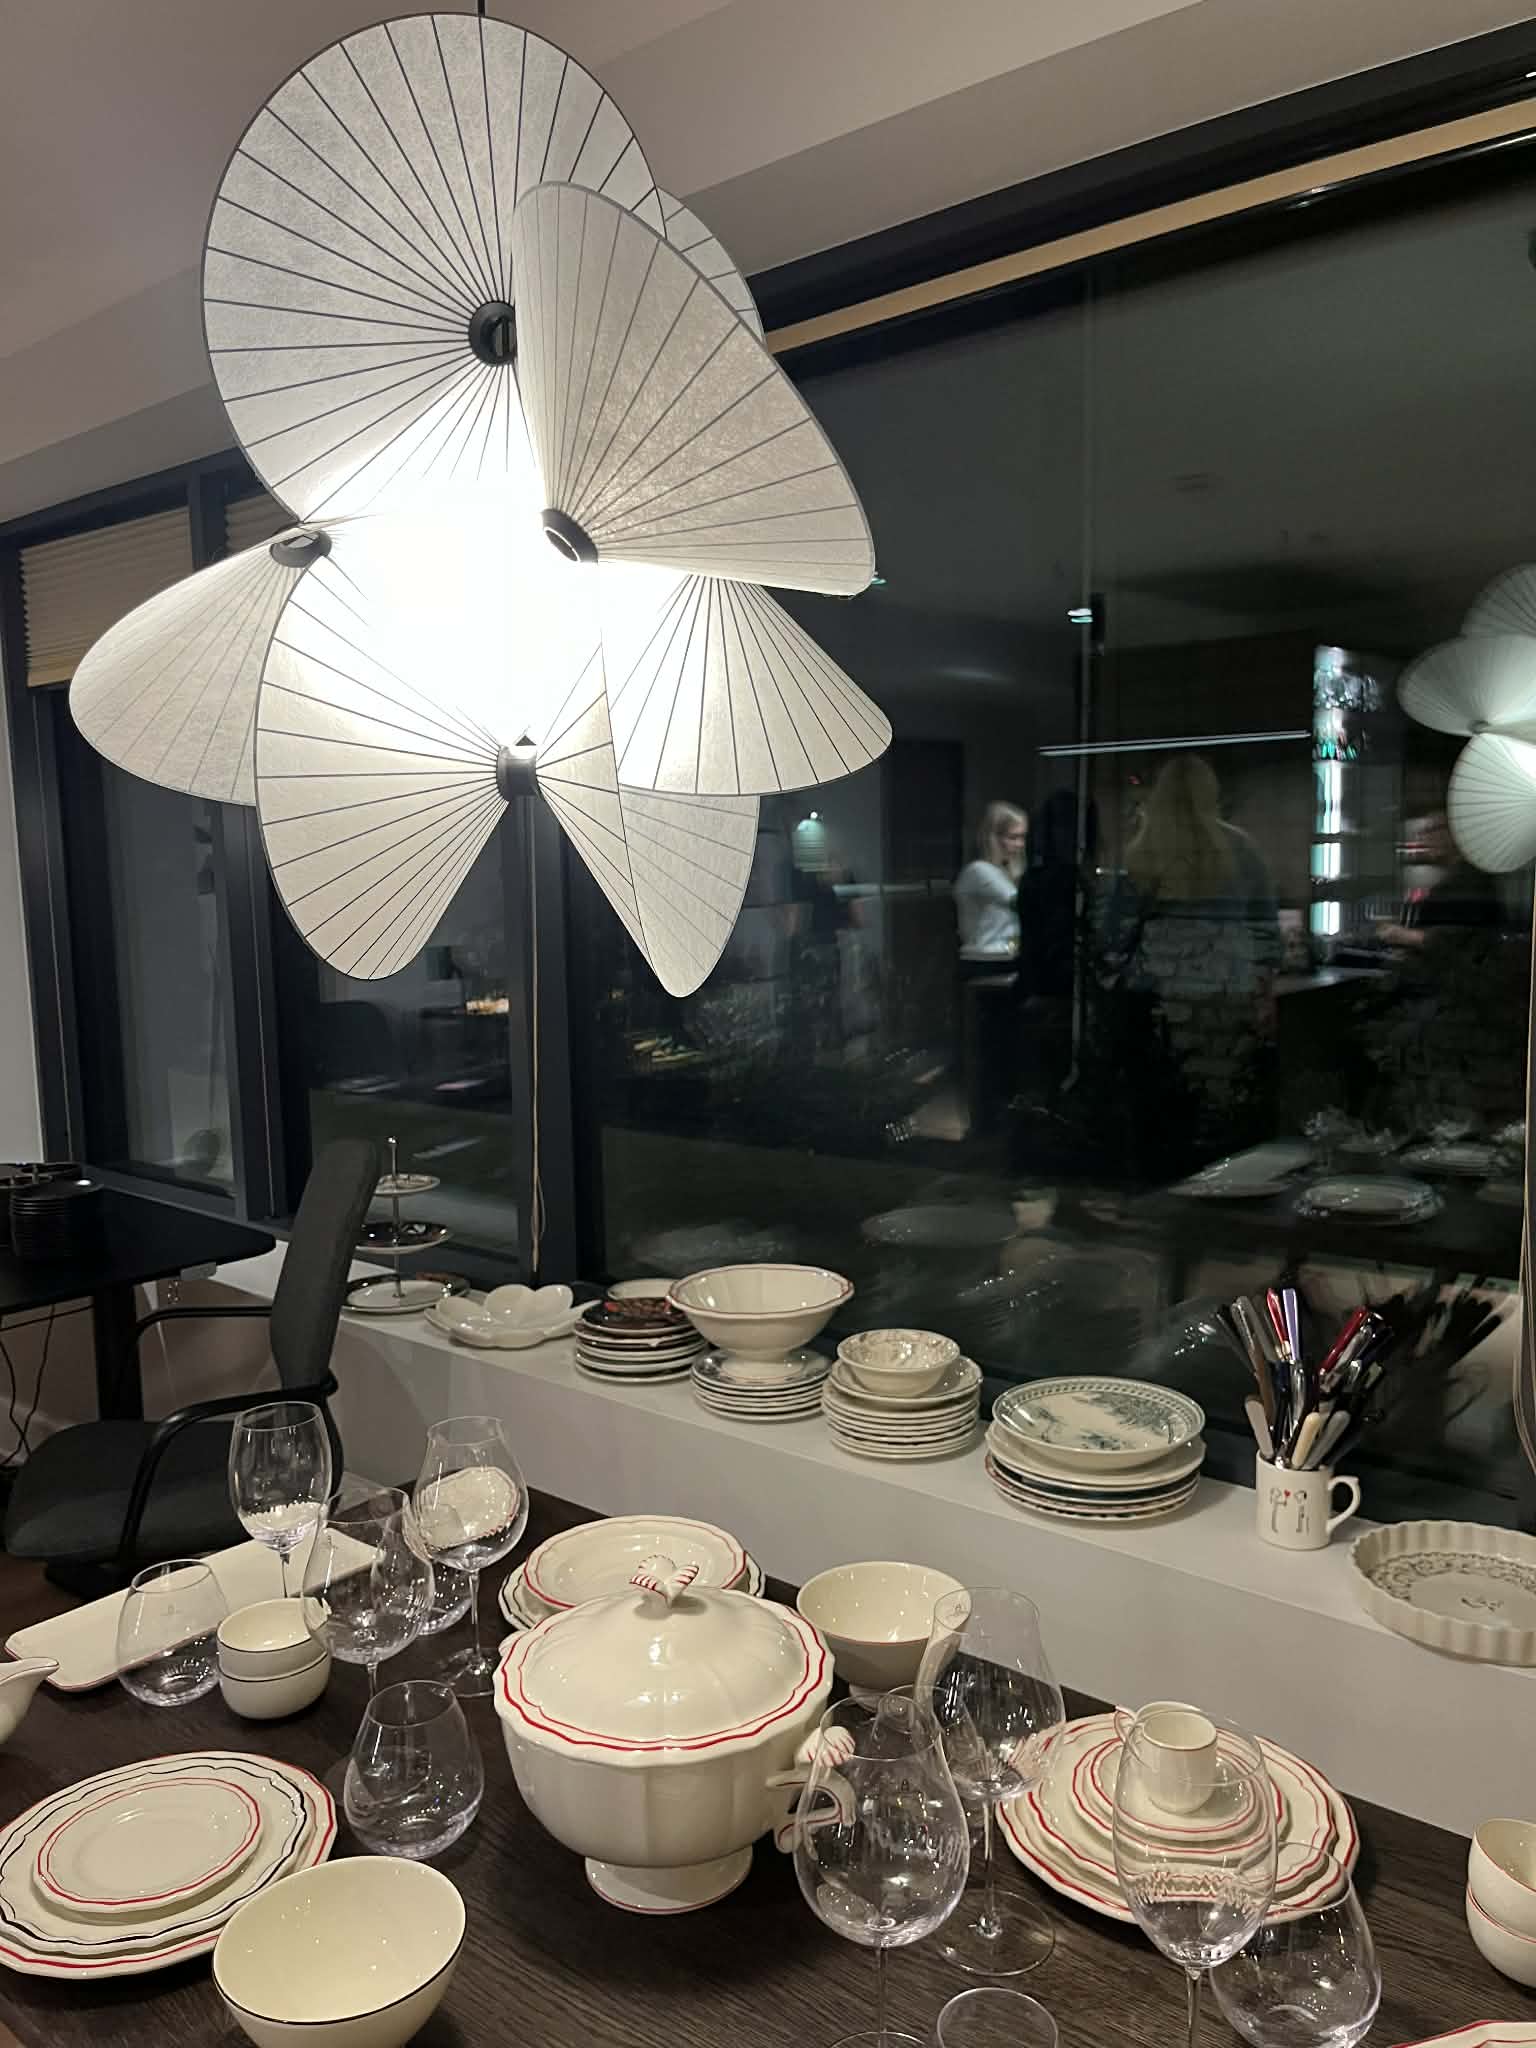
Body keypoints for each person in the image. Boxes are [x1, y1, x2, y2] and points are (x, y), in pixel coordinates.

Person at [1100, 755, 1281, 1174]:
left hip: (1161, 998)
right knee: (1223, 1103)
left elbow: (1114, 936)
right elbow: (1266, 931)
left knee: (1164, 1100)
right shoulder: (1242, 849)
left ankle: (1165, 1180)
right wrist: (1262, 990)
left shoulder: (1142, 853)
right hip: (1227, 994)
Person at [953, 802, 1027, 976]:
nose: (1020, 844)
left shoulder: (1004, 872)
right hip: (985, 958)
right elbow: (1019, 902)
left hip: (1005, 955)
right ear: (994, 838)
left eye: (1023, 837)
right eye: (1013, 837)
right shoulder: (979, 871)